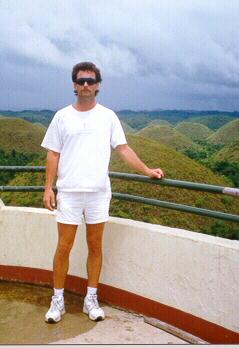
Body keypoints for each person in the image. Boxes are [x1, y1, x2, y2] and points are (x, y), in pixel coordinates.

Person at [41, 61, 164, 323]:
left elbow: (123, 149)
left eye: (91, 81)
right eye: (81, 80)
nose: (86, 85)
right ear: (74, 85)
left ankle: (91, 299)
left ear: (98, 86)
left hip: (98, 192)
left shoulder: (108, 117)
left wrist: (147, 171)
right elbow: (53, 153)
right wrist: (48, 187)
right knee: (64, 247)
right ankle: (57, 300)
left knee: (95, 246)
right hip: (70, 192)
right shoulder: (62, 116)